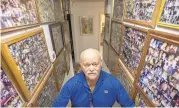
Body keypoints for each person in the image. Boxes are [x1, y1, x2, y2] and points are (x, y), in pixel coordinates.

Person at [52, 48, 135, 107]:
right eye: (87, 65)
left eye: (95, 64)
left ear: (101, 63)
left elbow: (129, 105)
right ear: (81, 65)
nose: (91, 69)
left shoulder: (114, 83)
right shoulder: (71, 84)